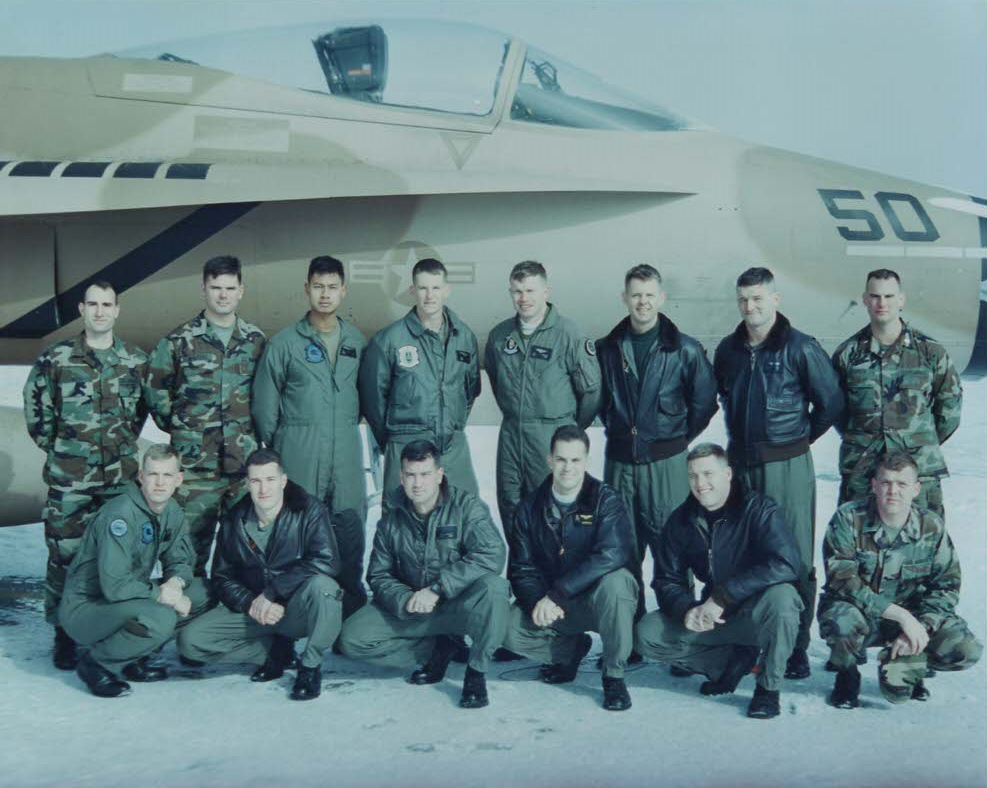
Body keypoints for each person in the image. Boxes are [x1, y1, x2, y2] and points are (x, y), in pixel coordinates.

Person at [713, 266, 844, 679]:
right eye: (743, 299)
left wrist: (796, 442)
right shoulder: (728, 350)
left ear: (775, 299)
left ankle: (796, 646)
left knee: (793, 555)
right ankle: (745, 639)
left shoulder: (801, 348)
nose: (750, 307)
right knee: (740, 551)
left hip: (787, 465)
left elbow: (831, 405)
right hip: (741, 465)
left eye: (758, 298)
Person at [23, 279, 148, 670]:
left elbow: (139, 416)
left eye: (106, 304)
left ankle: (119, 633)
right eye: (92, 304)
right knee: (64, 557)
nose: (99, 311)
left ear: (117, 311)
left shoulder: (134, 361)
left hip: (118, 482)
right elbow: (37, 415)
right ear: (81, 310)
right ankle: (64, 634)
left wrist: (118, 449)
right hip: (70, 482)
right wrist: (65, 451)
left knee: (121, 560)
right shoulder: (55, 359)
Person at [634, 443, 803, 719]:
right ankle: (730, 661)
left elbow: (786, 563)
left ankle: (768, 689)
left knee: (784, 597)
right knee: (647, 633)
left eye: (708, 474)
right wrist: (686, 609)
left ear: (727, 474)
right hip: (718, 620)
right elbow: (667, 580)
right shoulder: (681, 521)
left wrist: (723, 597)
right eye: (693, 476)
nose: (701, 484)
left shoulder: (759, 509)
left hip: (759, 615)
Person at [338, 440, 509, 709]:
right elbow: (378, 575)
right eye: (411, 475)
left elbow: (493, 554)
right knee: (352, 639)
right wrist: (405, 599)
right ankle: (434, 649)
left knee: (495, 589)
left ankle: (476, 672)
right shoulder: (391, 518)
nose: (418, 484)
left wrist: (438, 588)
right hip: (416, 609)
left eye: (425, 474)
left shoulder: (466, 507)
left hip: (457, 605)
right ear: (401, 477)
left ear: (439, 475)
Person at [597, 264, 717, 621]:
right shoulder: (607, 349)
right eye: (636, 295)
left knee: (674, 549)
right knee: (621, 550)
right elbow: (601, 403)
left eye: (649, 295)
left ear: (662, 298)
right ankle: (629, 632)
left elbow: (704, 403)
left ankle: (681, 626)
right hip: (620, 464)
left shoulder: (684, 350)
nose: (643, 303)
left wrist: (673, 438)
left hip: (667, 466)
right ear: (624, 298)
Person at [818, 451, 982, 709]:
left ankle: (909, 662)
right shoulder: (848, 518)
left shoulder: (931, 527)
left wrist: (921, 627)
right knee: (840, 620)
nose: (893, 491)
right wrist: (899, 616)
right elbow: (842, 580)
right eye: (885, 483)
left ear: (916, 489)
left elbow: (946, 587)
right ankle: (847, 674)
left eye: (902, 484)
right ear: (874, 485)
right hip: (862, 614)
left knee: (965, 649)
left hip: (912, 619)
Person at [252, 255, 368, 618]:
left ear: (343, 291)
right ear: (307, 289)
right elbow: (265, 408)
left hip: (345, 452)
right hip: (299, 451)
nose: (325, 294)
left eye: (333, 287)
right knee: (294, 534)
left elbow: (364, 397)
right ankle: (288, 615)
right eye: (318, 286)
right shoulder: (285, 344)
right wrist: (282, 450)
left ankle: (347, 611)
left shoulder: (355, 341)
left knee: (349, 529)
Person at [177, 449, 343, 701]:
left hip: (297, 608)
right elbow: (222, 577)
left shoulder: (309, 509)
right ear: (247, 483)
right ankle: (273, 653)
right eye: (256, 481)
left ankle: (309, 667)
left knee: (325, 587)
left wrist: (273, 592)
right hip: (257, 610)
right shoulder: (234, 520)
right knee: (190, 641)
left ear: (283, 481)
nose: (263, 488)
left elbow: (326, 561)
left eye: (270, 480)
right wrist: (250, 602)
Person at [501, 426, 638, 711]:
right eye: (561, 459)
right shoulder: (529, 508)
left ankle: (614, 676)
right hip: (556, 605)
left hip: (595, 601)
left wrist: (559, 593)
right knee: (505, 627)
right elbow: (521, 568)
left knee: (618, 584)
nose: (568, 468)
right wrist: (539, 602)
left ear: (586, 461)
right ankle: (568, 651)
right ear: (549, 460)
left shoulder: (606, 499)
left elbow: (612, 553)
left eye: (575, 460)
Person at [144, 255, 266, 574]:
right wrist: (185, 429)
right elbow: (156, 393)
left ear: (241, 290)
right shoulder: (178, 342)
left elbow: (267, 397)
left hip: (242, 467)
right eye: (216, 287)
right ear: (204, 289)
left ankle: (230, 618)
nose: (222, 295)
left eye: (229, 287)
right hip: (195, 468)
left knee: (244, 550)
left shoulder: (256, 342)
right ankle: (189, 615)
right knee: (187, 552)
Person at [58, 444, 209, 697]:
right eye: (152, 474)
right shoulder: (120, 516)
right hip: (87, 609)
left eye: (167, 475)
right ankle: (97, 663)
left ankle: (132, 655)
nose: (160, 483)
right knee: (162, 617)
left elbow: (181, 560)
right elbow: (115, 587)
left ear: (178, 479)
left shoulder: (170, 510)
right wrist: (162, 594)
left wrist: (175, 584)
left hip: (125, 601)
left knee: (204, 591)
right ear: (141, 476)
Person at [831, 268, 962, 517]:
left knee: (922, 545)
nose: (882, 303)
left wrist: (917, 441)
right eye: (876, 296)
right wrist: (864, 439)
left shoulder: (930, 352)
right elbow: (837, 411)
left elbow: (949, 409)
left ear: (901, 299)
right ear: (865, 299)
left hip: (917, 472)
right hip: (863, 470)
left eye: (889, 296)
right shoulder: (848, 354)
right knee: (859, 543)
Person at [484, 260, 601, 535]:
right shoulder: (500, 336)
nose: (523, 299)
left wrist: (570, 429)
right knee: (511, 506)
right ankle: (521, 574)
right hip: (512, 433)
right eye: (517, 291)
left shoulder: (568, 334)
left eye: (530, 290)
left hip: (551, 434)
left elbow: (591, 391)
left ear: (546, 291)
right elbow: (494, 376)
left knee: (552, 511)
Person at [359, 258, 481, 504]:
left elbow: (470, 390)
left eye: (436, 288)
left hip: (451, 446)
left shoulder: (464, 337)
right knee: (401, 522)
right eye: (423, 288)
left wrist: (451, 423)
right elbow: (373, 398)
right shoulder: (389, 340)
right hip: (406, 444)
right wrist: (394, 440)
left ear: (447, 290)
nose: (429, 296)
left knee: (466, 513)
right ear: (412, 291)